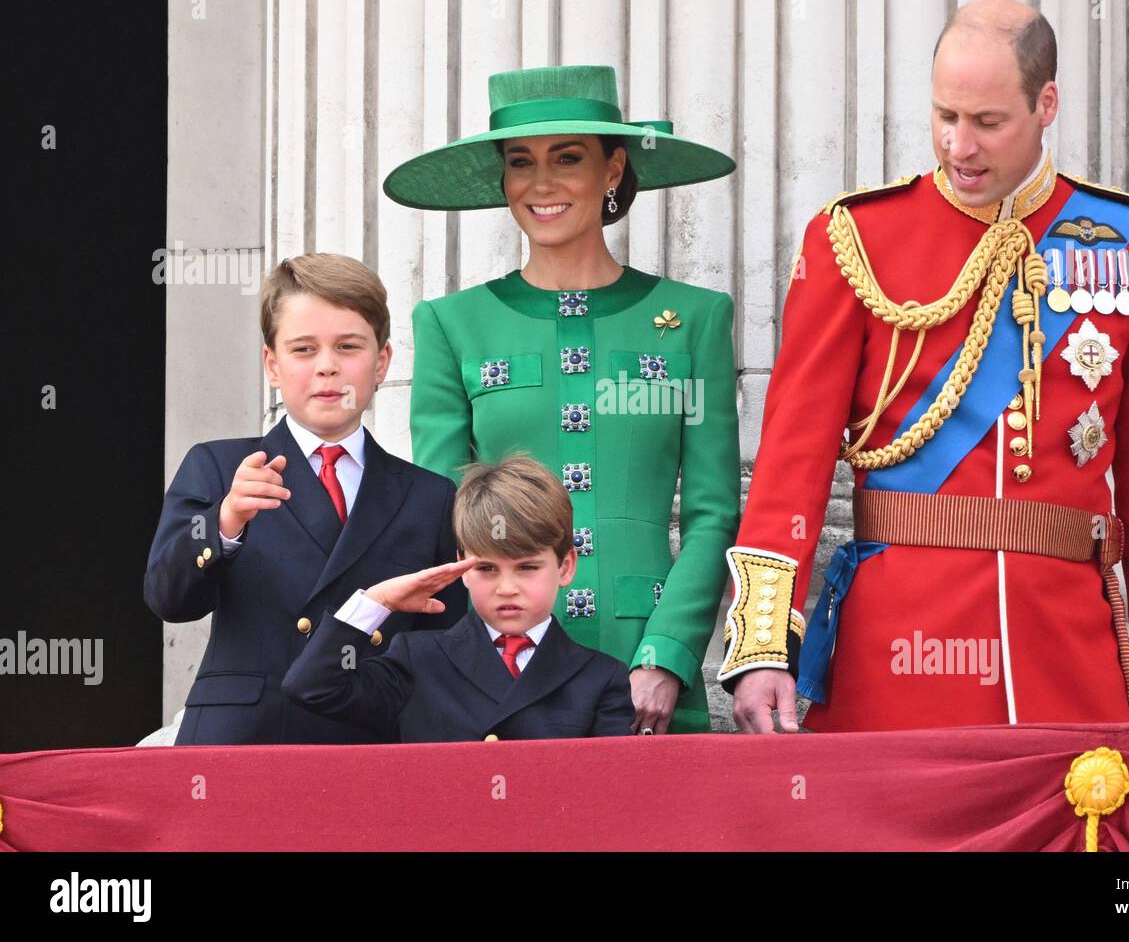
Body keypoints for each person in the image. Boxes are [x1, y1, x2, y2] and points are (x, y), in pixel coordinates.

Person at [721, 0, 1129, 733]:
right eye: (945, 116)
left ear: (1047, 105)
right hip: (901, 649)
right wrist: (762, 648)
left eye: (987, 122)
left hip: (1064, 652)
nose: (958, 145)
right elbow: (793, 460)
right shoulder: (854, 237)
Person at [386, 65, 740, 734]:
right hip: (506, 664)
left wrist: (668, 651)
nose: (541, 184)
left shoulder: (693, 318)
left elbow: (714, 510)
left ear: (613, 171)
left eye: (567, 159)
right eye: (522, 163)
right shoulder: (450, 323)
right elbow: (442, 514)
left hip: (644, 656)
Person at [143, 254, 468, 745]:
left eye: (348, 346)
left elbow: (447, 641)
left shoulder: (430, 494)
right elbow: (168, 598)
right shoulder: (218, 465)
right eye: (303, 349)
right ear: (272, 364)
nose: (327, 367)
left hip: (371, 740)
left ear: (382, 362)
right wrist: (226, 521)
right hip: (244, 738)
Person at [283, 456, 635, 741]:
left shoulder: (601, 678)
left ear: (566, 566)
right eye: (486, 568)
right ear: (461, 566)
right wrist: (378, 601)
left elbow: (607, 791)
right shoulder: (418, 660)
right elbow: (313, 686)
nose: (507, 587)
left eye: (527, 567)